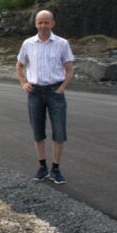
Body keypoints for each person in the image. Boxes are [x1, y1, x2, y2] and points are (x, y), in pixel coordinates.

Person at [15, 10, 75, 184]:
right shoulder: (28, 44)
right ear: (35, 24)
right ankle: (42, 167)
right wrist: (23, 82)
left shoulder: (62, 44)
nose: (43, 26)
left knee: (59, 131)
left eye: (46, 22)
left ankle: (55, 169)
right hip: (35, 92)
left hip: (55, 91)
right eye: (40, 22)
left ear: (53, 24)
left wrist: (62, 88)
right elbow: (19, 65)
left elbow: (70, 69)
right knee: (38, 132)